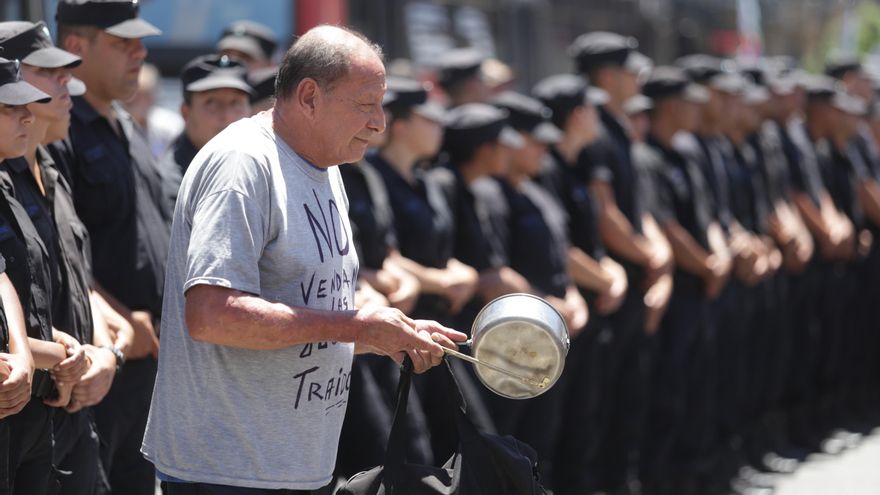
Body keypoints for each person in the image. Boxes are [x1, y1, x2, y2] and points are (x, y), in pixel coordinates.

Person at [142, 25, 465, 494]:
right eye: (365, 104)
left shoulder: (325, 165)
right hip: (226, 473)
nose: (379, 122)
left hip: (293, 469)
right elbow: (211, 316)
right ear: (310, 96)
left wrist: (388, 334)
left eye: (382, 105)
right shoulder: (243, 163)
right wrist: (356, 326)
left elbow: (309, 311)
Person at [0, 19, 139, 494]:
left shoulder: (53, 167)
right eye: (50, 74)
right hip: (31, 402)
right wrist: (63, 357)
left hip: (73, 404)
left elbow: (78, 280)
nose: (68, 85)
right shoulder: (6, 178)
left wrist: (104, 351)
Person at [51, 1, 171, 493]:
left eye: (139, 41)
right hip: (98, 367)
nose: (139, 52)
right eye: (123, 43)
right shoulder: (60, 127)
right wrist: (126, 325)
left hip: (147, 368)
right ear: (77, 46)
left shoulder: (125, 123)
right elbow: (63, 250)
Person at [162, 54, 253, 178]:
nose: (227, 115)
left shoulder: (256, 167)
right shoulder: (169, 182)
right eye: (212, 103)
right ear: (185, 112)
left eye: (236, 103)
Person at [123, 63, 184, 158]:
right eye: (130, 93)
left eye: (140, 94)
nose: (132, 99)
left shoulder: (170, 125)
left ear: (152, 97)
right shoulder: (113, 125)